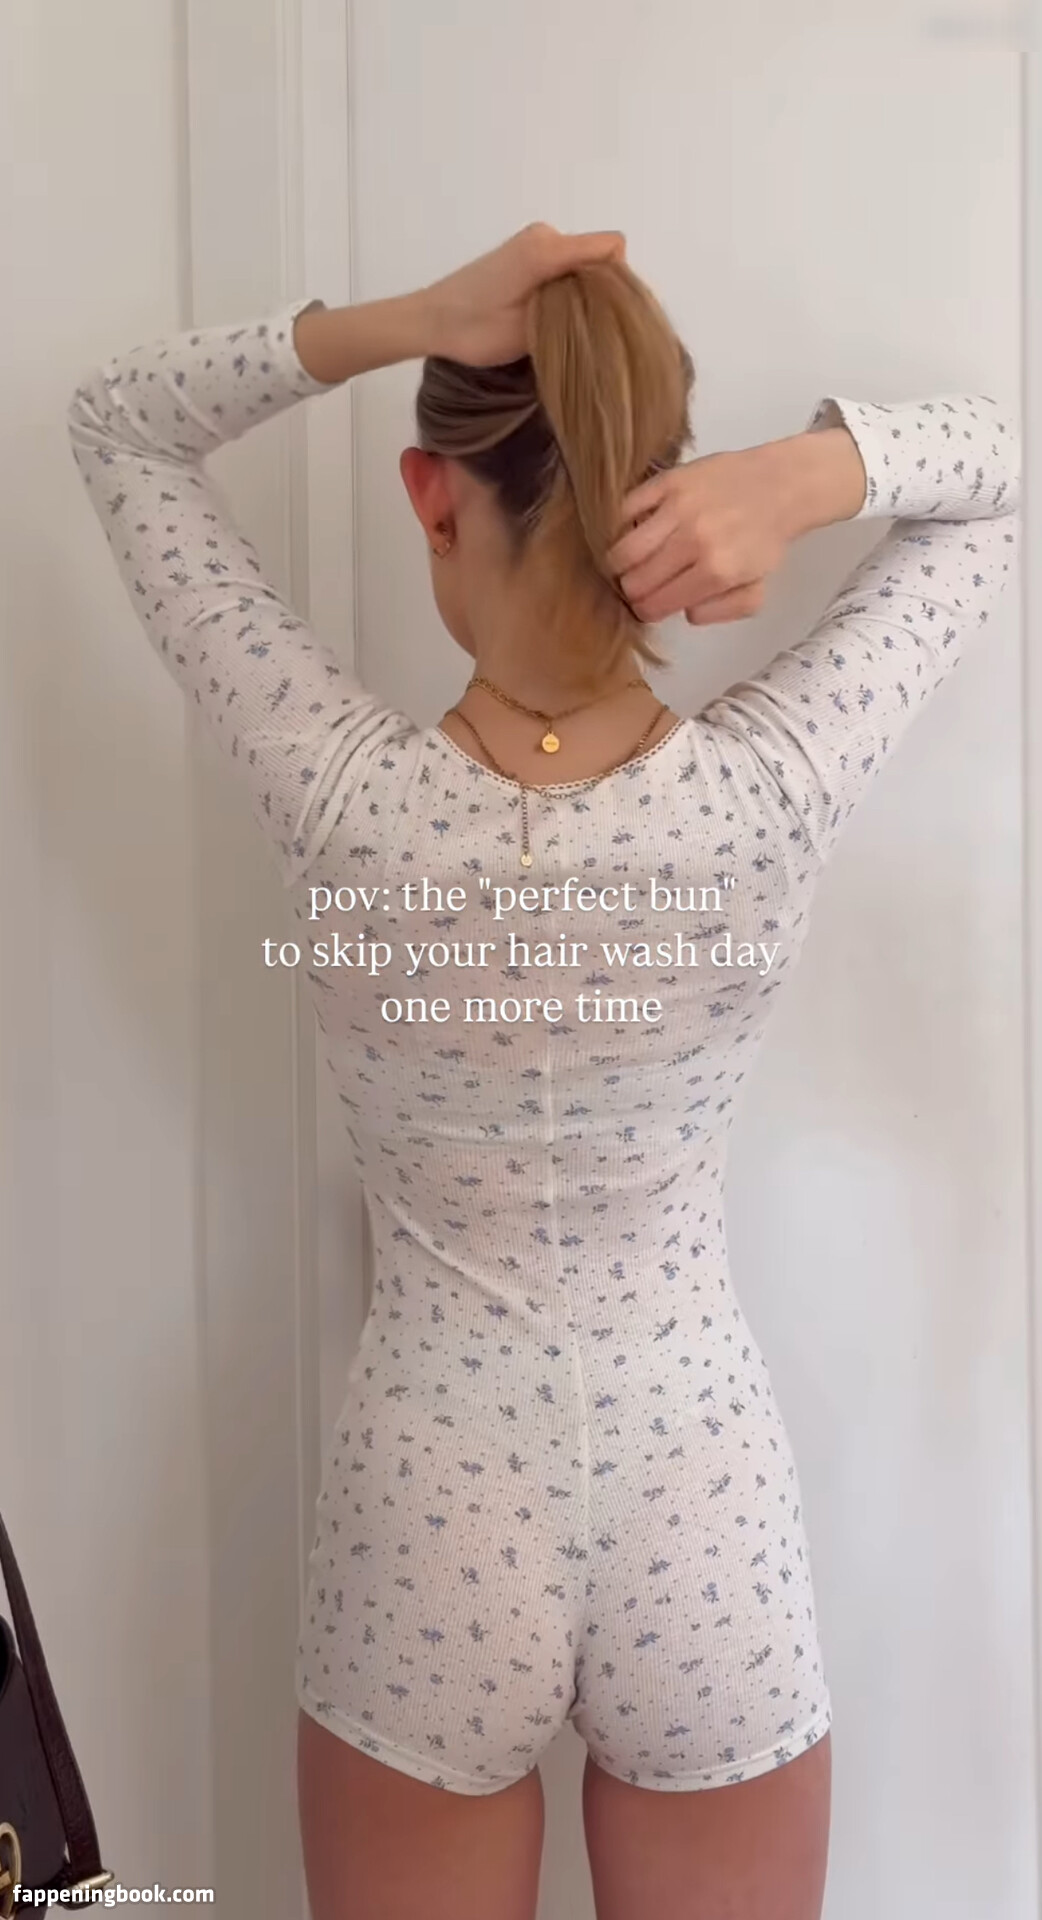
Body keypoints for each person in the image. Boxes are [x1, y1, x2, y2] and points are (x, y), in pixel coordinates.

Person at [66, 223, 1020, 1920]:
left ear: (429, 498)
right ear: (664, 499)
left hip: (431, 1510)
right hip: (699, 1503)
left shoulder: (342, 794)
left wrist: (405, 320)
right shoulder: (767, 791)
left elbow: (120, 423)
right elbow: (997, 476)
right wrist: (800, 479)